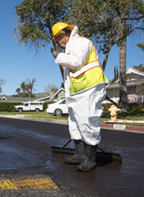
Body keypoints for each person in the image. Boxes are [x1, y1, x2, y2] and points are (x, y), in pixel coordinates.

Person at [51, 22, 108, 172]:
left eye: (58, 40)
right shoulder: (68, 50)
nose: (59, 43)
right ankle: (80, 154)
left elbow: (77, 62)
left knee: (87, 121)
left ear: (64, 35)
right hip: (76, 92)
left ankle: (90, 158)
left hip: (89, 88)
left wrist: (59, 56)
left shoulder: (81, 42)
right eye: (57, 41)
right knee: (75, 123)